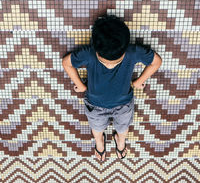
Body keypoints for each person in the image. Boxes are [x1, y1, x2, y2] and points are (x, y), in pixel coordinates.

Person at [62, 15, 162, 161]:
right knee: (97, 129)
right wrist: (138, 82)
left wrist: (138, 81)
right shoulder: (127, 52)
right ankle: (100, 142)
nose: (110, 65)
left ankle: (119, 141)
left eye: (116, 61)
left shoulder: (96, 53)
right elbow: (66, 63)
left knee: (122, 128)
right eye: (106, 61)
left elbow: (66, 62)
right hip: (98, 105)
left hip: (121, 104)